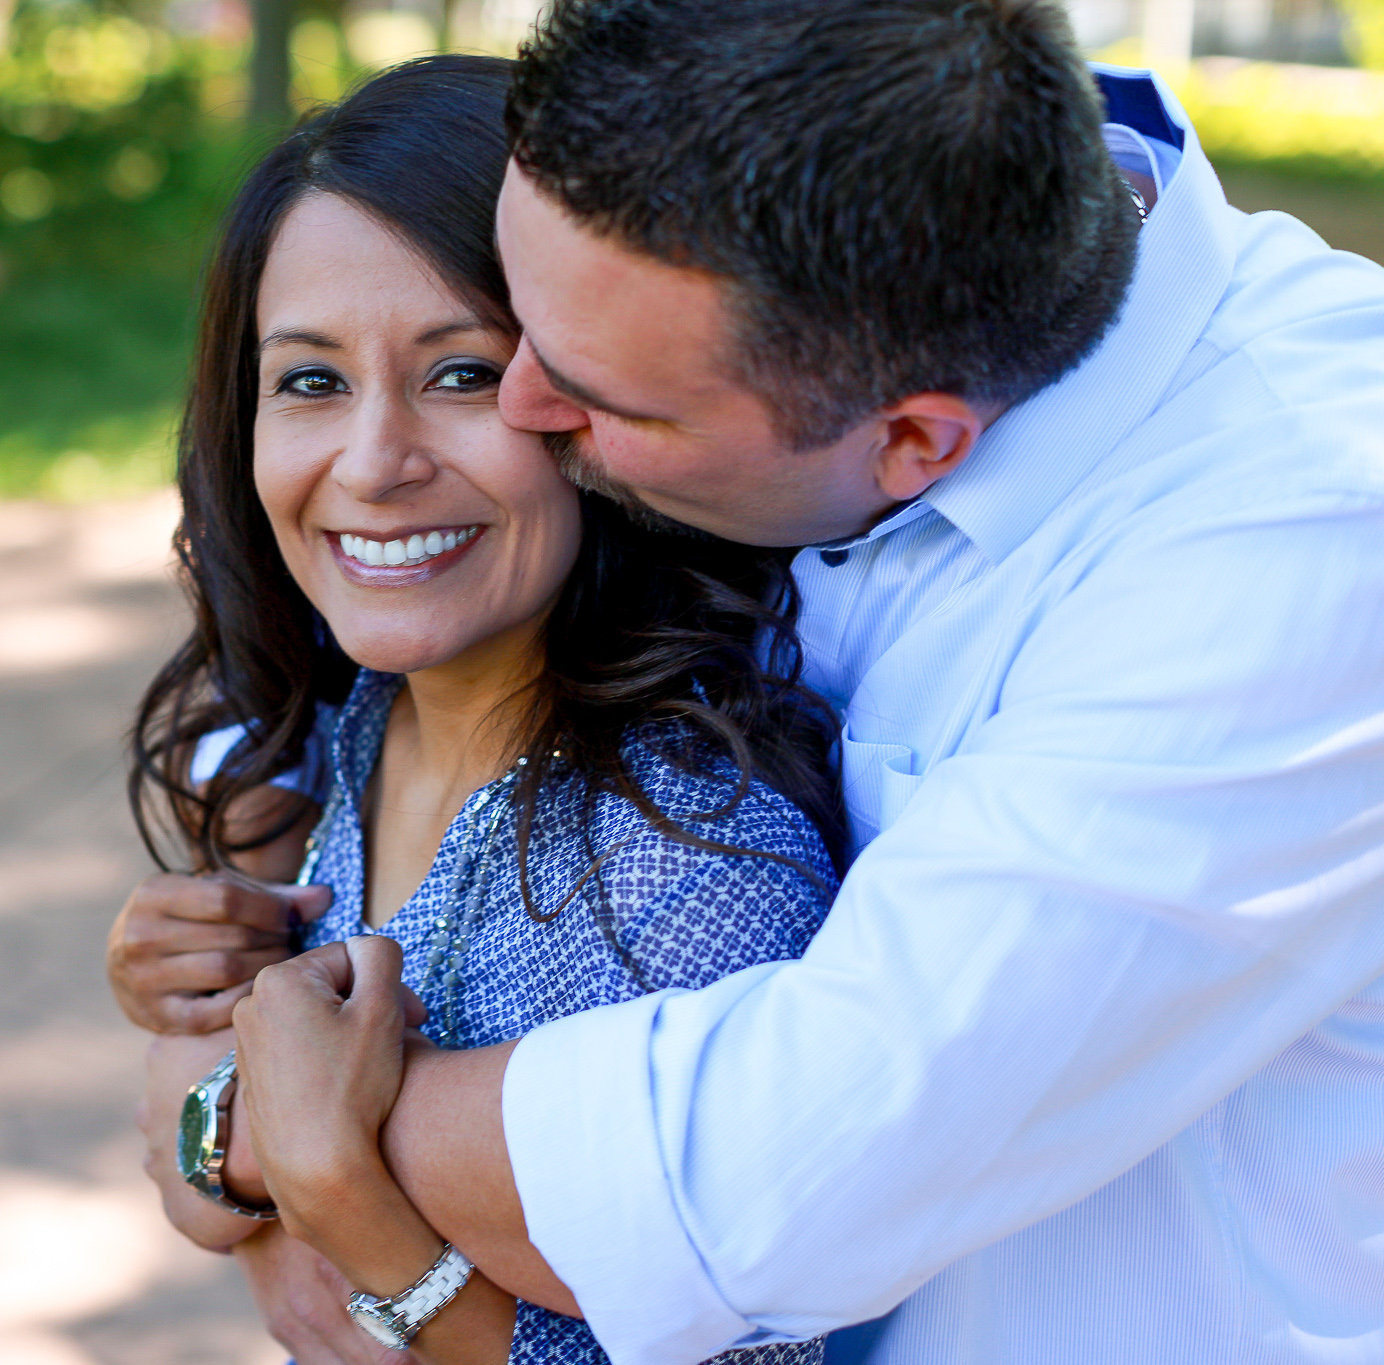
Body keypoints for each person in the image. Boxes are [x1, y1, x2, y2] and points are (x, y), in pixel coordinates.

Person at [111, 0, 1384, 1361]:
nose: (527, 409)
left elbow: (774, 1168)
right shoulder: (823, 296)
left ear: (912, 442)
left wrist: (272, 1120)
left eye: (538, 377)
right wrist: (229, 986)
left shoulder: (1304, 543)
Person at [120, 54, 853, 1363]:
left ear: (599, 400)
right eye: (310, 381)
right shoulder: (354, 727)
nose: (374, 460)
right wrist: (231, 1110)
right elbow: (189, 1131)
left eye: (461, 374)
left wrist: (340, 1198)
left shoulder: (685, 853)